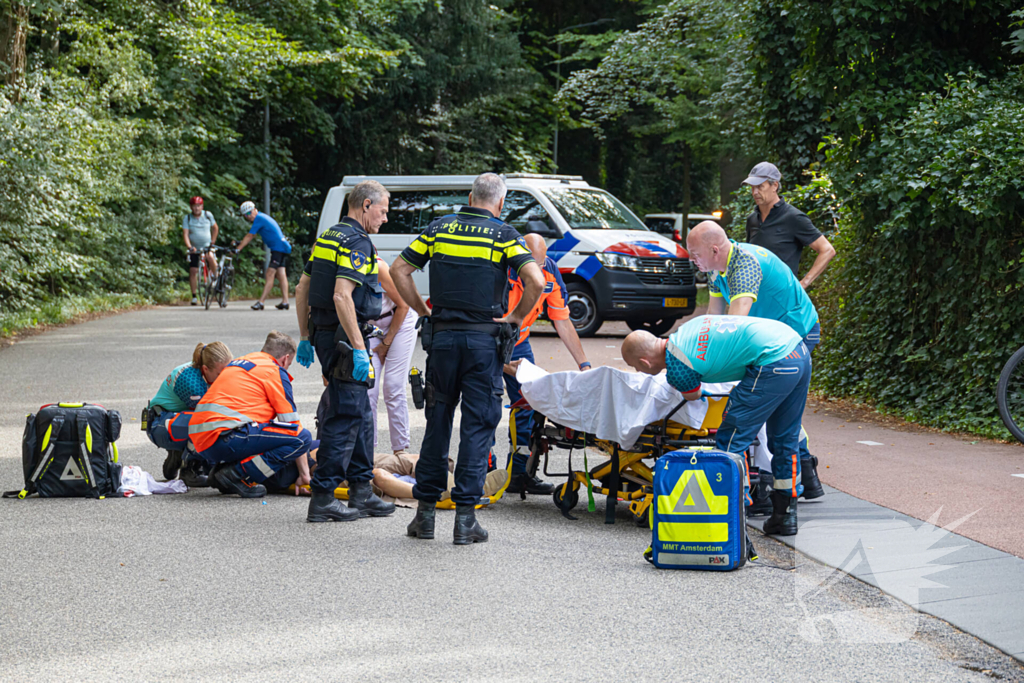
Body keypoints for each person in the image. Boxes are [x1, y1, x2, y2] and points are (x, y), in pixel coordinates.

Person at [391, 172, 544, 545]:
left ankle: (424, 517)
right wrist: (514, 318)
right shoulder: (505, 235)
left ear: (471, 196)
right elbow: (536, 281)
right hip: (483, 345)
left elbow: (399, 269)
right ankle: (464, 521)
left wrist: (422, 311)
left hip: (441, 340)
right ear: (500, 203)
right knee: (477, 428)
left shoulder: (439, 229)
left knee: (438, 423)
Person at [622, 315, 811, 536]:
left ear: (644, 362)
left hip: (772, 362)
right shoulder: (686, 330)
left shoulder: (677, 368)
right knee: (784, 437)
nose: (637, 371)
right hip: (798, 350)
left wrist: (703, 392)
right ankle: (785, 515)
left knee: (731, 440)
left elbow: (692, 395)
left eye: (635, 366)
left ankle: (734, 515)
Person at [686, 221, 824, 502]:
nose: (691, 259)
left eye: (694, 253)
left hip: (797, 332)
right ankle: (807, 476)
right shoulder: (716, 268)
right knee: (776, 407)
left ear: (714, 249)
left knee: (770, 401)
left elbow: (736, 326)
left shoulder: (745, 265)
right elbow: (714, 321)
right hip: (771, 336)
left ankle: (791, 479)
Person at [293, 179, 396, 523]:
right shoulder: (357, 241)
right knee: (345, 415)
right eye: (382, 210)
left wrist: (306, 336)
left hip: (327, 335)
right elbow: (341, 295)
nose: (385, 218)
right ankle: (322, 497)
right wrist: (359, 350)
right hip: (344, 338)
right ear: (365, 205)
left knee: (362, 413)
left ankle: (361, 491)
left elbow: (302, 286)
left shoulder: (329, 236)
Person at [501, 233, 591, 496]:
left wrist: (584, 364)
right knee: (485, 408)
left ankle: (518, 474)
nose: (537, 272)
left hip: (520, 341)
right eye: (531, 265)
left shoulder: (549, 271)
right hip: (488, 342)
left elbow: (562, 319)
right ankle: (482, 473)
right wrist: (502, 363)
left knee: (528, 404)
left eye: (540, 265)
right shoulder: (499, 270)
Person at [188, 331, 313, 498]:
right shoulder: (274, 370)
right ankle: (238, 474)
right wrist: (305, 475)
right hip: (226, 435)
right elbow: (293, 426)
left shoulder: (241, 362)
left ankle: (221, 474)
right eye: (288, 364)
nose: (286, 368)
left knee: (265, 434)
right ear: (285, 359)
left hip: (201, 440)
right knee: (302, 438)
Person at [146, 341, 232, 486]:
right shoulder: (191, 383)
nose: (226, 378)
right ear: (206, 369)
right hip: (159, 424)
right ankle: (190, 470)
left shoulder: (210, 368)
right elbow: (212, 415)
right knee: (208, 424)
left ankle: (179, 455)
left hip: (179, 420)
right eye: (220, 374)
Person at [742, 162, 836, 289]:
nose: (755, 192)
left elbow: (827, 250)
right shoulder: (752, 220)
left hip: (784, 299)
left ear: (774, 185)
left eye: (760, 186)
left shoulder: (793, 217)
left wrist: (803, 284)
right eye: (752, 187)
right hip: (754, 297)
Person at [367, 260, 417, 456]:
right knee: (368, 389)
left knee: (393, 386)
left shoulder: (378, 267)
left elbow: (403, 306)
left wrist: (386, 343)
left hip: (400, 318)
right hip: (370, 327)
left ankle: (400, 450)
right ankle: (368, 451)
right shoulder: (338, 272)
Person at [236, 200, 292, 311]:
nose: (248, 217)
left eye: (249, 213)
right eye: (245, 215)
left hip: (278, 248)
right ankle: (285, 302)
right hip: (281, 247)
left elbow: (250, 236)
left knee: (270, 273)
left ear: (254, 210)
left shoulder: (259, 219)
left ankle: (261, 302)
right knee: (281, 274)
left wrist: (238, 249)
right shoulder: (261, 217)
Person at [183, 197, 219, 305]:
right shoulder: (188, 218)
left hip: (207, 246)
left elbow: (215, 228)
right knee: (193, 271)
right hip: (195, 248)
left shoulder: (208, 215)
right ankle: (194, 296)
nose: (196, 208)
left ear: (202, 206)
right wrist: (190, 247)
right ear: (191, 207)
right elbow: (185, 234)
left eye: (198, 206)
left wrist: (212, 242)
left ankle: (215, 277)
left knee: (210, 257)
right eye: (194, 206)